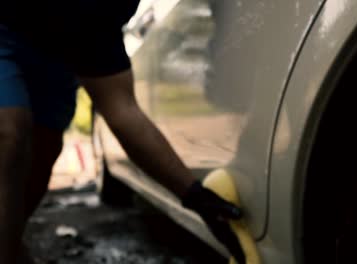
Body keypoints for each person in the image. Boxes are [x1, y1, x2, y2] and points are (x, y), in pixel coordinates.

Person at [0, 1, 245, 263]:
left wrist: (196, 198)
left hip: (61, 56)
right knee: (9, 134)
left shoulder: (101, 15)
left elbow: (123, 110)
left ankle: (10, 244)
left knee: (42, 154)